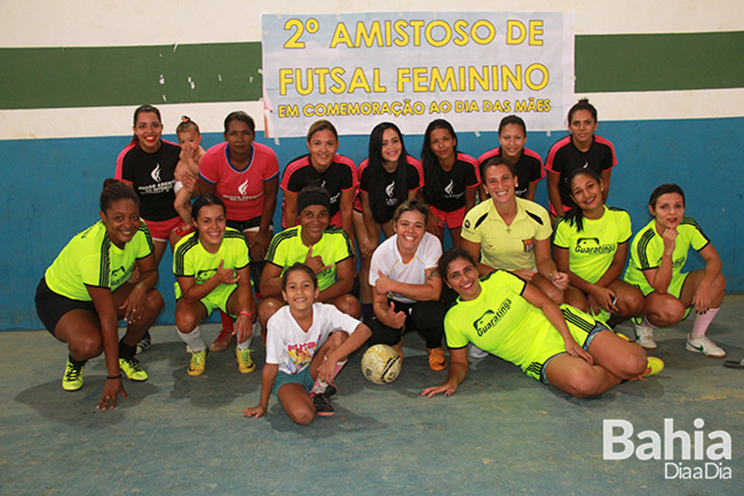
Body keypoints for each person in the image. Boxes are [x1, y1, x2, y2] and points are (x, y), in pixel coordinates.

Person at [421, 249, 663, 399]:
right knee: (583, 383)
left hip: (562, 324)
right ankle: (619, 370)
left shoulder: (501, 278)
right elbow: (460, 361)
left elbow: (547, 304)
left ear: (476, 269)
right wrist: (451, 380)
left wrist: (569, 340)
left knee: (636, 362)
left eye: (468, 270)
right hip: (537, 355)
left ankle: (621, 361)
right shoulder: (454, 318)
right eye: (455, 276)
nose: (465, 279)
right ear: (448, 284)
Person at [34, 179, 164, 410]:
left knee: (153, 301)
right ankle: (76, 360)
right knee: (90, 344)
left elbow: (151, 272)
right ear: (103, 217)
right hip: (62, 297)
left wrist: (139, 288)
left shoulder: (141, 229)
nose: (128, 224)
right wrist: (113, 377)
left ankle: (126, 353)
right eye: (118, 218)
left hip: (106, 290)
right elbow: (108, 318)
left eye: (134, 216)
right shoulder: (94, 250)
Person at [244, 263, 372, 423]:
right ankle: (304, 395)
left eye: (306, 286)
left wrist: (332, 359)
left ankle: (319, 390)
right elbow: (271, 367)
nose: (299, 292)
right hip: (287, 377)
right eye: (292, 287)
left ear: (316, 292)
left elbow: (364, 331)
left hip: (314, 367)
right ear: (284, 295)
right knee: (304, 416)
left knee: (340, 337)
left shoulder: (326, 312)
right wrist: (262, 405)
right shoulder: (277, 322)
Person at [198, 111, 279, 351]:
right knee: (226, 268)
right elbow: (207, 200)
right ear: (225, 136)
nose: (240, 138)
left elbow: (271, 196)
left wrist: (264, 232)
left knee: (260, 262)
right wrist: (217, 231)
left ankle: (266, 325)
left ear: (253, 135)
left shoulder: (266, 156)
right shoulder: (212, 158)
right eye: (233, 133)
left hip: (256, 216)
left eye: (245, 133)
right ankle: (228, 329)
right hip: (224, 218)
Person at [624, 184, 727, 357]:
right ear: (652, 210)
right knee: (673, 311)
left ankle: (696, 338)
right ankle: (642, 322)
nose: (672, 213)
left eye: (677, 206)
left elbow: (714, 259)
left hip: (673, 281)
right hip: (645, 290)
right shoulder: (644, 240)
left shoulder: (688, 226)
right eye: (664, 207)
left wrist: (704, 285)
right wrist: (668, 251)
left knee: (717, 280)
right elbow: (660, 288)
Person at [461, 157, 569, 305]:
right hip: (492, 274)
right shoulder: (475, 217)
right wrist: (508, 275)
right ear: (485, 188)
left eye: (505, 178)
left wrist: (553, 275)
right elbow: (471, 263)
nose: (500, 186)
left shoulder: (538, 214)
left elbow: (543, 260)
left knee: (555, 296)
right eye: (493, 181)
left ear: (515, 181)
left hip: (529, 273)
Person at [173, 194, 259, 376]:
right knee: (184, 319)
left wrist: (244, 313)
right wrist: (216, 279)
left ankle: (243, 349)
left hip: (229, 290)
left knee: (250, 308)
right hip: (199, 294)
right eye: (206, 221)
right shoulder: (184, 249)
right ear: (195, 223)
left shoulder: (237, 240)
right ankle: (198, 350)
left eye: (219, 220)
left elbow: (244, 282)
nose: (214, 227)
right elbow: (188, 295)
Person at [259, 186, 360, 336]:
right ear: (299, 216)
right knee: (268, 309)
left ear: (329, 217)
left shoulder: (338, 237)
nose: (316, 221)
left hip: (323, 299)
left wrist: (312, 299)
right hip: (291, 302)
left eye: (322, 215)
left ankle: (330, 343)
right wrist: (304, 271)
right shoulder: (283, 240)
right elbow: (265, 288)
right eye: (309, 215)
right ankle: (286, 343)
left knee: (350, 306)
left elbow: (346, 282)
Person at [552, 168, 644, 325]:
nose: (587, 195)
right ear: (573, 198)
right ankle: (585, 333)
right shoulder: (564, 224)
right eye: (579, 192)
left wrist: (597, 290)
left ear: (601, 185)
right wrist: (592, 290)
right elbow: (564, 270)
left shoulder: (621, 218)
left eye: (590, 186)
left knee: (634, 301)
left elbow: (618, 264)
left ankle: (606, 327)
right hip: (574, 284)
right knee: (577, 308)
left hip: (605, 281)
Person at [366, 200, 448, 371]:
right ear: (395, 226)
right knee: (375, 332)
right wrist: (387, 318)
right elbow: (379, 302)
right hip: (396, 306)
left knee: (432, 312)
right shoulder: (382, 254)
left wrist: (392, 285)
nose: (410, 231)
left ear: (425, 228)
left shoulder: (431, 243)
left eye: (418, 225)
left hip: (423, 305)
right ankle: (396, 341)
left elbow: (434, 292)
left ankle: (434, 346)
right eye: (405, 224)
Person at [354, 122, 424, 317]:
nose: (391, 147)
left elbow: (409, 209)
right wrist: (372, 238)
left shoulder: (413, 168)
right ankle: (368, 311)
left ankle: (395, 305)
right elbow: (367, 206)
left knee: (400, 252)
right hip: (367, 212)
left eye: (395, 141)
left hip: (396, 213)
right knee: (369, 256)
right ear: (376, 147)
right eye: (384, 144)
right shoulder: (366, 169)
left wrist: (400, 233)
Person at [115, 104, 185, 264]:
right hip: (148, 225)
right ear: (135, 129)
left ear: (161, 127)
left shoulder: (175, 152)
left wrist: (194, 186)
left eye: (154, 125)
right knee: (143, 275)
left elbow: (195, 189)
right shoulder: (128, 157)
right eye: (142, 126)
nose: (149, 131)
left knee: (189, 267)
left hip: (178, 221)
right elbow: (123, 201)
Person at [280, 120, 357, 243]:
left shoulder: (346, 168)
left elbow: (346, 208)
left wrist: (348, 242)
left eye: (329, 144)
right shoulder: (295, 171)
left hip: (333, 218)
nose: (323, 150)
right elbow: (291, 211)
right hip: (302, 220)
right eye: (317, 143)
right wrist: (292, 243)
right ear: (309, 145)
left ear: (337, 145)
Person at [545, 99, 617, 219]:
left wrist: (597, 209)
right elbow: (552, 186)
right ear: (569, 127)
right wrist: (561, 217)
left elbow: (605, 183)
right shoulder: (558, 150)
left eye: (587, 123)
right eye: (576, 123)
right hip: (563, 207)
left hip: (591, 206)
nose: (582, 128)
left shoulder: (605, 148)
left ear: (595, 125)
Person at [418, 119, 479, 247]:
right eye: (435, 141)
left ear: (454, 141)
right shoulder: (424, 166)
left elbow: (470, 202)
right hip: (434, 209)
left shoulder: (468, 165)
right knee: (434, 245)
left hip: (460, 208)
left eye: (445, 139)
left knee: (461, 248)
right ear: (430, 146)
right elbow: (418, 194)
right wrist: (428, 214)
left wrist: (468, 225)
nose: (441, 145)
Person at [476, 115, 544, 202]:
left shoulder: (534, 161)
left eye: (518, 138)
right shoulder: (485, 161)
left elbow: (530, 194)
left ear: (525, 139)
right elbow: (483, 196)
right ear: (499, 139)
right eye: (506, 138)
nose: (512, 143)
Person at [173, 116, 206, 231]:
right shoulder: (185, 151)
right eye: (182, 141)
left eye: (191, 140)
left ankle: (189, 224)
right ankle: (196, 221)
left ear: (199, 139)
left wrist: (191, 159)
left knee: (178, 205)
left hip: (187, 185)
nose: (187, 145)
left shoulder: (200, 154)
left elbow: (200, 172)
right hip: (179, 184)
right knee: (186, 206)